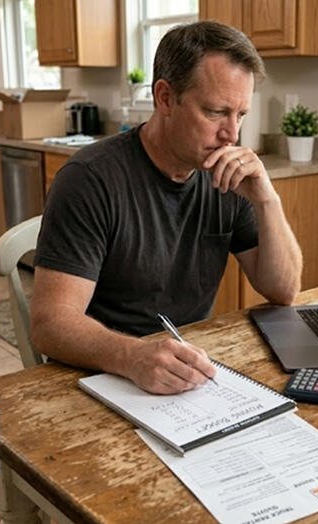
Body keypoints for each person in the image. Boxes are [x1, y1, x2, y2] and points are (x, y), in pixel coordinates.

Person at [29, 21, 303, 395]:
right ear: (165, 98)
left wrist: (267, 200)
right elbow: (50, 323)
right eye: (215, 112)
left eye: (240, 114)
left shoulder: (228, 176)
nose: (232, 134)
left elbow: (283, 291)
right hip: (99, 373)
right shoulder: (89, 179)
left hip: (184, 374)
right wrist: (133, 356)